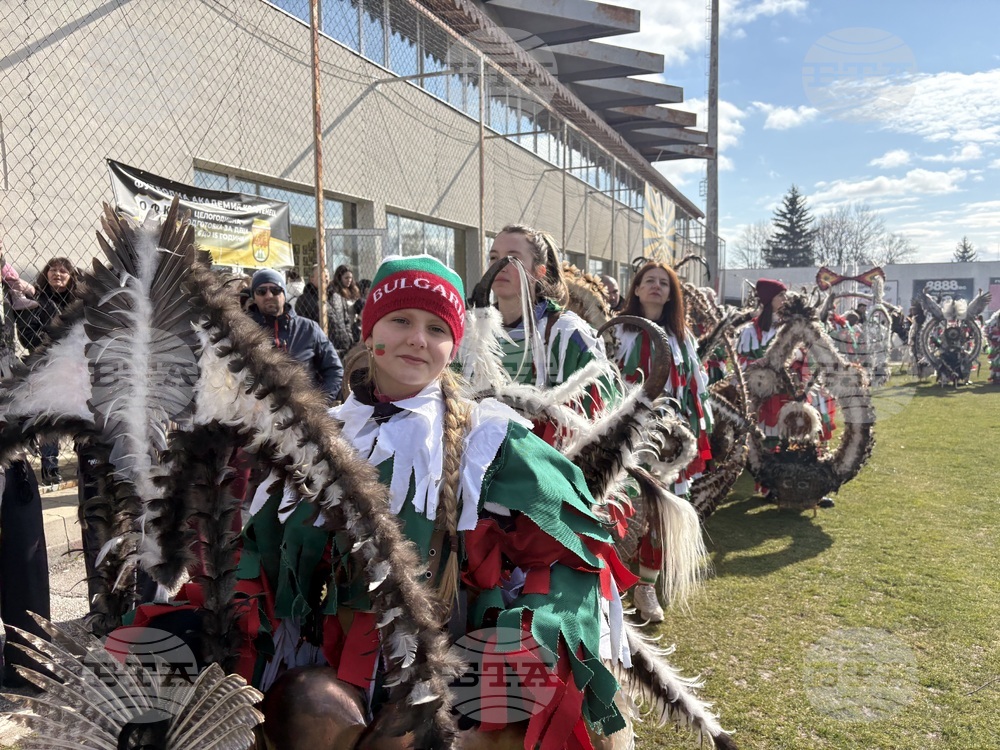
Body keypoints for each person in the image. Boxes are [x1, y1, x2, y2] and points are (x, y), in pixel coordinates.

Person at [239, 254, 635, 747]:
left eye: (436, 328)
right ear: (369, 331)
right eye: (400, 321)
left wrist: (533, 630)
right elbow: (261, 555)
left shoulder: (489, 439)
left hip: (465, 674)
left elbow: (570, 551)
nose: (417, 339)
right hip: (340, 678)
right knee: (303, 704)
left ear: (453, 346)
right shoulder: (316, 439)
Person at [614, 262, 714, 622]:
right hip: (622, 432)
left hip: (667, 438)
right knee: (618, 504)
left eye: (664, 283)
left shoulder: (682, 340)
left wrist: (688, 432)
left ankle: (646, 585)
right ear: (637, 289)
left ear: (672, 295)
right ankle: (608, 582)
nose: (656, 286)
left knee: (658, 508)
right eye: (649, 281)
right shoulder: (619, 332)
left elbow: (693, 391)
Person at [472, 224, 613, 441]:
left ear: (539, 271)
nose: (501, 265)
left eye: (513, 258)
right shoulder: (470, 333)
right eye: (493, 257)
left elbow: (593, 425)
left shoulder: (569, 335)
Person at [20, 257, 81, 484]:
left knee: (81, 412)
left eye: (63, 271)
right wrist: (53, 346)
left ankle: (85, 460)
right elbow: (26, 334)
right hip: (47, 364)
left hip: (77, 365)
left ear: (71, 276)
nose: (58, 274)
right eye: (53, 270)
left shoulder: (80, 301)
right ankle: (50, 467)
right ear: (46, 274)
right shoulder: (36, 300)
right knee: (51, 413)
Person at [247, 268, 343, 402]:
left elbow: (334, 369)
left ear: (284, 294)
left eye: (275, 290)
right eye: (261, 291)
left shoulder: (309, 329)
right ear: (254, 297)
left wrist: (320, 403)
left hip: (302, 408)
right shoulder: (244, 331)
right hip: (257, 409)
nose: (269, 295)